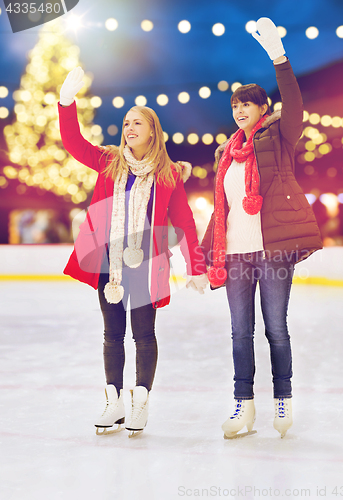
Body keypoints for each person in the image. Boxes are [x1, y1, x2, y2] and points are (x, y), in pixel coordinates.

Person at [58, 67, 208, 437]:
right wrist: (66, 103)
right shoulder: (110, 161)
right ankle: (114, 402)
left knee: (143, 334)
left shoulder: (168, 173)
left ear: (153, 131)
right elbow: (75, 144)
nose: (129, 128)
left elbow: (185, 222)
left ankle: (140, 402)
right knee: (112, 334)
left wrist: (196, 266)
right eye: (126, 123)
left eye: (137, 123)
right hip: (108, 262)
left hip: (146, 264)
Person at [201, 18, 322, 439]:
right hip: (235, 254)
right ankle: (244, 406)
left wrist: (279, 57)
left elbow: (295, 101)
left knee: (276, 328)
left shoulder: (280, 137)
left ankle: (282, 398)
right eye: (234, 106)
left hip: (272, 252)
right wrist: (203, 259)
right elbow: (223, 209)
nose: (238, 112)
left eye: (246, 105)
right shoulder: (226, 154)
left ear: (262, 109)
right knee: (239, 332)